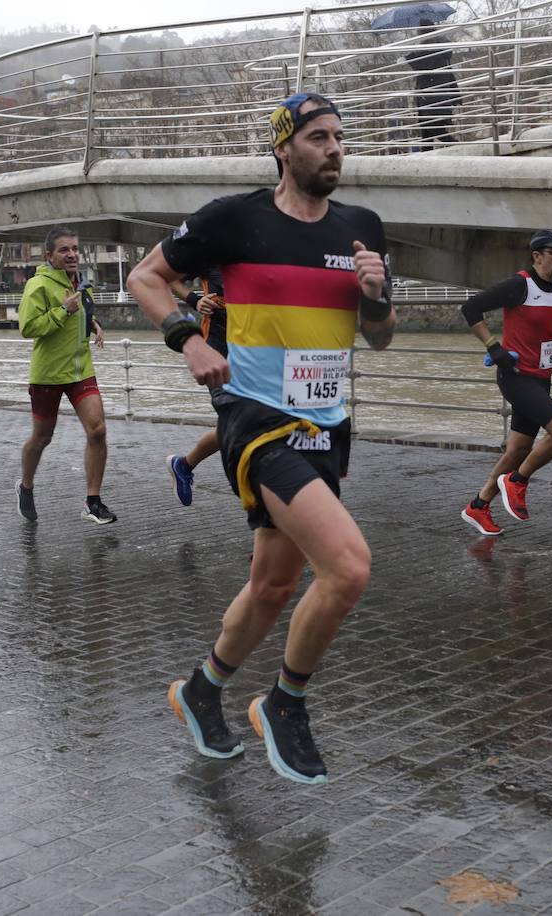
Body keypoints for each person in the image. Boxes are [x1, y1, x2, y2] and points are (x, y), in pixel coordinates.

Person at [127, 92, 396, 785]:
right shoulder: (234, 220)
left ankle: (201, 690)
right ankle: (285, 701)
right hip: (255, 420)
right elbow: (146, 278)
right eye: (317, 137)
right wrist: (186, 341)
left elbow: (382, 337)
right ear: (284, 148)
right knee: (349, 566)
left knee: (275, 584)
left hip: (327, 426)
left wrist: (378, 294)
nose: (334, 149)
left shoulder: (362, 227)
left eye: (340, 137)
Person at [459, 229, 552, 536]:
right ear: (537, 256)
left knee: (518, 449)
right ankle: (517, 482)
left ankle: (478, 506)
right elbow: (471, 308)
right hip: (516, 377)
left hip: (542, 378)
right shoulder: (519, 285)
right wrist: (494, 346)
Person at [16, 227, 115, 525]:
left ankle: (92, 501)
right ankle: (26, 486)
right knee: (42, 437)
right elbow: (28, 328)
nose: (72, 254)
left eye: (74, 248)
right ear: (49, 256)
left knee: (97, 430)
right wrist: (63, 311)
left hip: (80, 370)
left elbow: (84, 311)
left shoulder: (82, 282)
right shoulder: (38, 285)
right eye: (64, 250)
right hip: (48, 374)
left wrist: (94, 323)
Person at [166, 267, 228, 507]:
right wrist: (196, 300)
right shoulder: (210, 244)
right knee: (236, 420)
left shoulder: (260, 245)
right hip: (217, 350)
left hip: (256, 349)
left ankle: (183, 465)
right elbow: (170, 279)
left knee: (244, 422)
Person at [405, 20, 460, 149]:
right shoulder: (439, 46)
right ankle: (426, 154)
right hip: (438, 93)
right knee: (427, 128)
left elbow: (423, 67)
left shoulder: (430, 47)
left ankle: (455, 145)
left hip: (432, 94)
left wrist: (409, 57)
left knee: (431, 126)